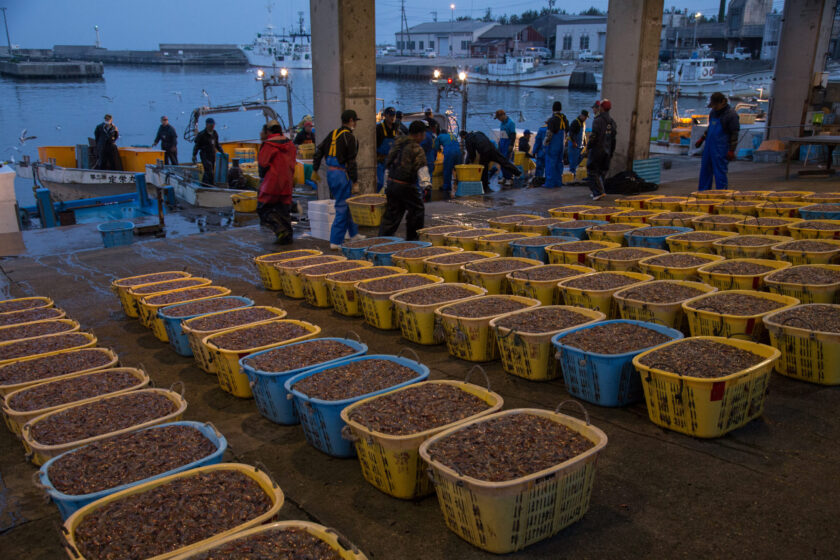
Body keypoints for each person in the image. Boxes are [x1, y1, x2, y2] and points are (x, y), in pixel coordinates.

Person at [313, 109, 365, 249]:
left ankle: (354, 234)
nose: (356, 124)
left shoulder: (333, 134)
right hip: (342, 175)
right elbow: (351, 162)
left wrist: (315, 169)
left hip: (331, 174)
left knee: (348, 205)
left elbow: (318, 152)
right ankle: (335, 241)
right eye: (355, 121)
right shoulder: (350, 137)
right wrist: (355, 181)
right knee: (342, 207)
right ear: (351, 121)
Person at [379, 121, 431, 241]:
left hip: (392, 183)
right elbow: (422, 168)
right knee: (417, 211)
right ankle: (413, 240)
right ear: (418, 134)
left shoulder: (398, 143)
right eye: (423, 134)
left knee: (392, 216)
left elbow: (388, 164)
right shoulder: (416, 148)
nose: (424, 137)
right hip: (405, 185)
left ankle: (381, 241)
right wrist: (426, 186)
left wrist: (386, 184)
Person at [257, 119, 296, 244]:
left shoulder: (268, 145)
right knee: (284, 209)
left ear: (268, 131)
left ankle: (280, 229)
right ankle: (288, 236)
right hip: (287, 182)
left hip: (272, 183)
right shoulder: (290, 143)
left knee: (263, 209)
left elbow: (263, 163)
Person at [695, 91, 740, 191]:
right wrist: (702, 138)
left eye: (715, 105)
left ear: (722, 102)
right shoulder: (713, 113)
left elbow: (734, 134)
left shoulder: (731, 115)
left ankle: (721, 195)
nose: (714, 108)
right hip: (709, 148)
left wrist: (732, 150)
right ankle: (703, 194)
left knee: (720, 173)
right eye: (712, 106)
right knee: (705, 171)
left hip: (721, 149)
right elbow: (710, 128)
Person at [460, 129, 521, 194]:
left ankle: (484, 186)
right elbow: (486, 139)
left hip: (484, 152)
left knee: (484, 169)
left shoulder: (468, 140)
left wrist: (469, 162)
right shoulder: (479, 132)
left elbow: (472, 153)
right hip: (492, 148)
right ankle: (517, 172)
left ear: (463, 136)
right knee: (503, 161)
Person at [587, 99, 617, 201]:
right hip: (607, 151)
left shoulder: (598, 120)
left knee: (591, 171)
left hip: (597, 150)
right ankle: (600, 191)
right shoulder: (612, 122)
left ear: (602, 108)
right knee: (601, 172)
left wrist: (588, 147)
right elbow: (613, 138)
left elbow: (594, 136)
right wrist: (611, 151)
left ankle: (597, 192)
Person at [543, 101, 569, 188]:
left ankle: (549, 183)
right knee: (559, 163)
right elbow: (567, 130)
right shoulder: (564, 119)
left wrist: (545, 144)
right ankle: (558, 182)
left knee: (550, 164)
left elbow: (549, 134)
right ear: (561, 109)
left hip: (553, 146)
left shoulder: (552, 120)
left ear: (552, 109)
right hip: (561, 145)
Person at [192, 118, 224, 185]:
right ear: (207, 125)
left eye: (213, 125)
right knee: (209, 170)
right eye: (211, 125)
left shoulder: (215, 133)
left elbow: (217, 144)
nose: (212, 126)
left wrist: (222, 151)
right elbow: (196, 146)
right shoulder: (202, 134)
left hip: (212, 154)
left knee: (210, 169)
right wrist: (194, 155)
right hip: (204, 154)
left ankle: (204, 184)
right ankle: (211, 185)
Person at [433, 128, 463, 199]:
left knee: (447, 170)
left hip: (450, 152)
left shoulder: (439, 136)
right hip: (459, 152)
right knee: (458, 170)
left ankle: (446, 186)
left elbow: (436, 148)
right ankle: (460, 184)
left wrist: (434, 158)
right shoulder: (452, 135)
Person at [376, 107, 400, 192]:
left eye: (394, 115)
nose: (392, 117)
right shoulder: (379, 128)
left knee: (392, 184)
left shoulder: (396, 128)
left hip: (392, 162)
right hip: (381, 162)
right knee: (380, 183)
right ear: (385, 116)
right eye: (390, 115)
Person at [495, 109, 517, 186]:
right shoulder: (502, 124)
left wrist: (511, 145)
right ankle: (504, 177)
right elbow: (501, 134)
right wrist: (499, 144)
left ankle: (509, 178)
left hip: (508, 144)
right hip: (502, 143)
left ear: (502, 115)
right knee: (502, 160)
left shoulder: (511, 123)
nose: (498, 120)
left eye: (498, 118)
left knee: (507, 161)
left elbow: (513, 135)